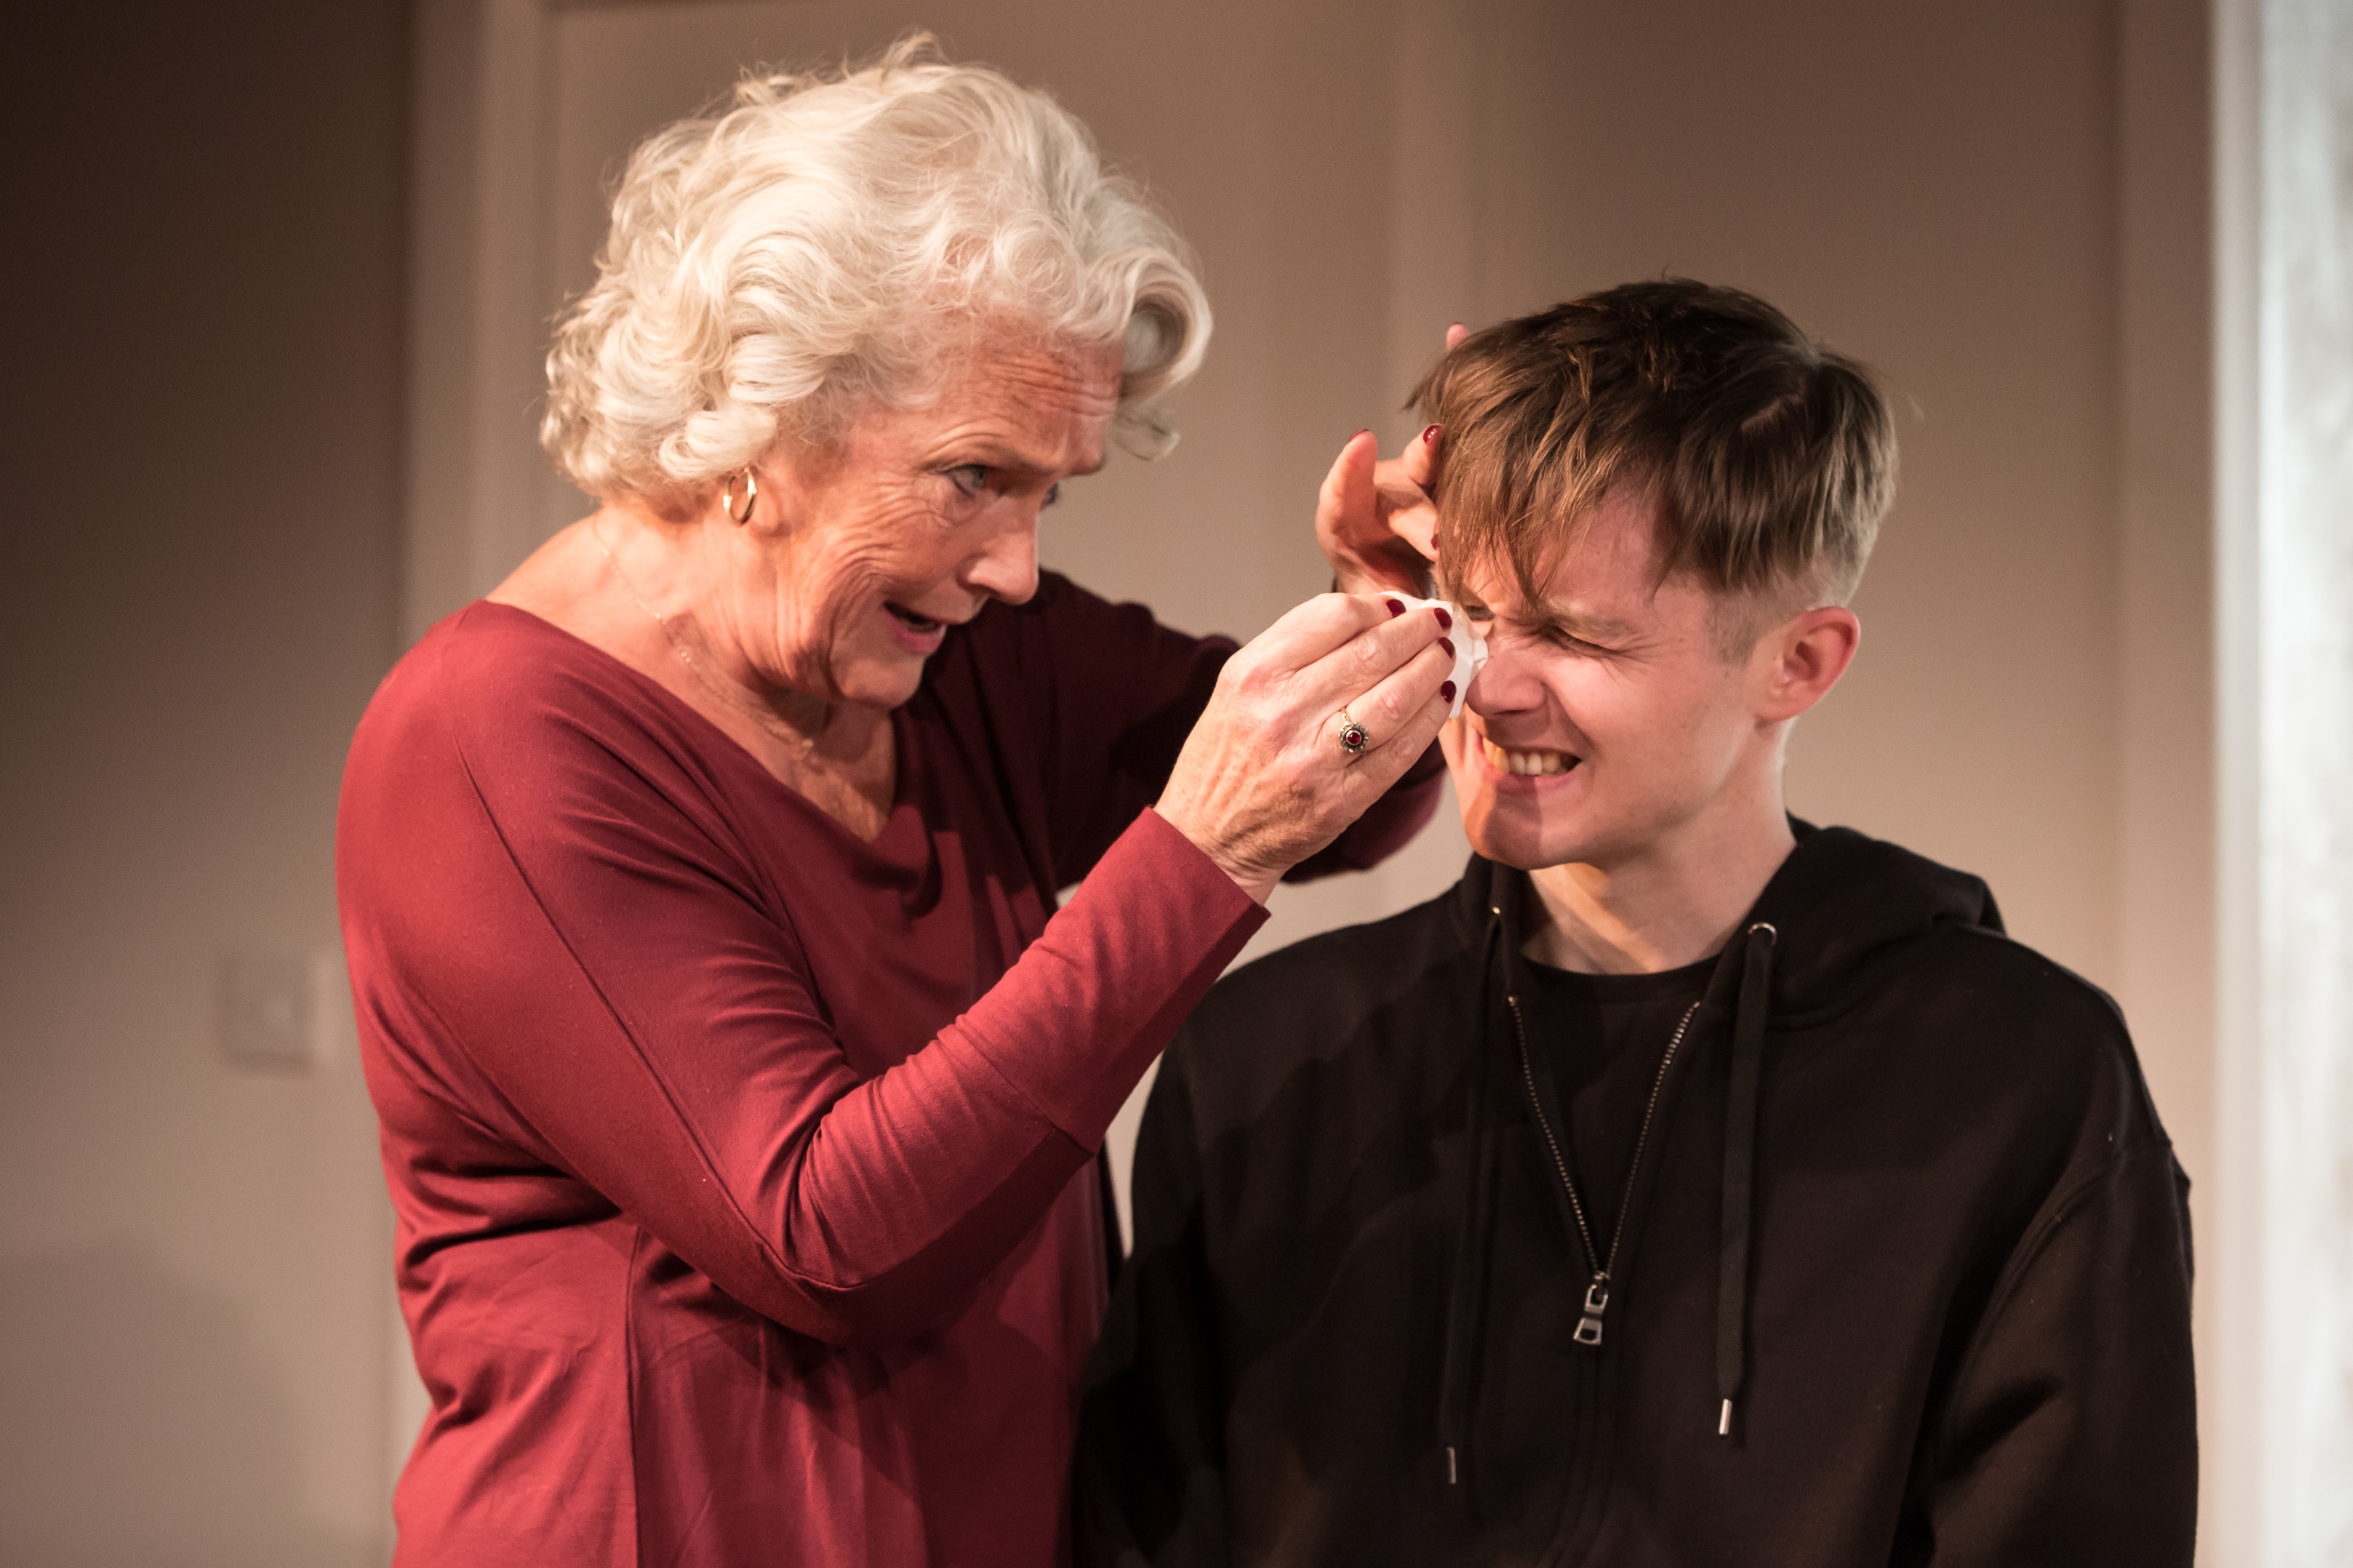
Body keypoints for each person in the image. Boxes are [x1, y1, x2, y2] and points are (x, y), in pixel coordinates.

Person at [335, 40, 1463, 1567]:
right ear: (761, 418)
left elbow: (1339, 806)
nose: (1016, 565)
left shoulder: (945, 645)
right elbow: (828, 1240)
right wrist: (1203, 850)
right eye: (972, 476)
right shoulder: (497, 742)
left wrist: (1390, 612)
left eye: (1048, 492)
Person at [1079, 280, 2198, 1566]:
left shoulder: (2021, 1082)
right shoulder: (1271, 1060)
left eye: (1575, 635)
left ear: (1799, 663)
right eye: (1475, 611)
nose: (1491, 687)